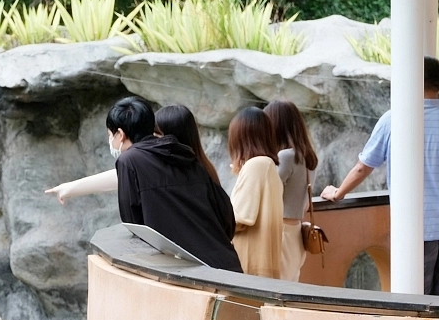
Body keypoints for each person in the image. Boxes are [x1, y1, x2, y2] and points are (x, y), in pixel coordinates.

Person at [321, 56, 439, 294]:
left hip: (418, 227)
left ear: (411, 81)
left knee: (418, 297)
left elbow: (363, 166)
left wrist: (339, 192)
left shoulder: (394, 119)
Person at [96, 96, 243, 272]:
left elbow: (133, 223)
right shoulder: (186, 154)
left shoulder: (129, 160)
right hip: (227, 264)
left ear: (120, 134)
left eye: (110, 135)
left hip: (193, 272)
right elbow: (226, 217)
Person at [44, 103, 220, 203]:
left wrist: (68, 189)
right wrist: (68, 188)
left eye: (155, 135)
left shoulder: (167, 164)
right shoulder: (200, 167)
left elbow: (120, 177)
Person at [264, 100, 319, 282]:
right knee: (288, 284)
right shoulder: (307, 156)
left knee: (275, 289)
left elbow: (269, 191)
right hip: (295, 232)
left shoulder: (285, 157)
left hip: (281, 233)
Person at [228, 107, 285, 279]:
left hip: (249, 261)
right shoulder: (267, 165)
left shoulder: (256, 165)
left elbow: (241, 217)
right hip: (262, 264)